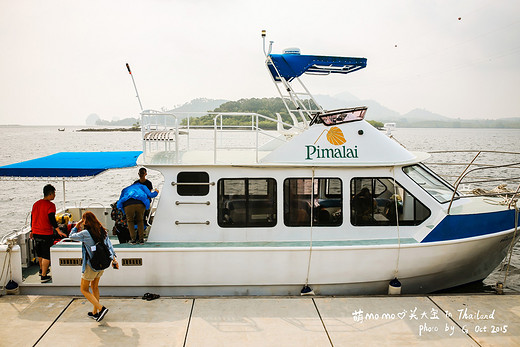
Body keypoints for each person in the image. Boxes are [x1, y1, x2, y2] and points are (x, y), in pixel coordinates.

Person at [69, 211, 118, 322]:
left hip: (91, 265)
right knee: (94, 287)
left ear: (86, 221)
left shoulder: (85, 233)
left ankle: (101, 309)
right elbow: (109, 246)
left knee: (84, 289)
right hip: (102, 264)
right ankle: (95, 312)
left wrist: (76, 226)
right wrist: (114, 259)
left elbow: (71, 236)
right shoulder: (102, 231)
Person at [30, 184, 67, 283]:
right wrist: (58, 230)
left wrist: (31, 230)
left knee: (40, 253)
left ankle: (42, 269)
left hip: (36, 232)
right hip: (45, 233)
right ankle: (44, 276)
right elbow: (52, 219)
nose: (54, 195)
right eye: (54, 193)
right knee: (46, 254)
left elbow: (32, 218)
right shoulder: (50, 205)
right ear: (50, 194)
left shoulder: (36, 204)